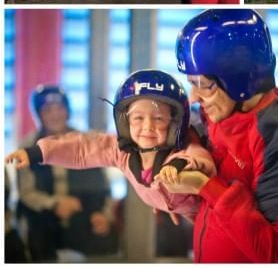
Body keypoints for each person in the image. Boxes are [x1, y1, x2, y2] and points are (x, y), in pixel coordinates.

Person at [160, 9, 278, 262]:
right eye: (191, 83)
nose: (194, 97)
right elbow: (187, 134)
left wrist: (204, 186)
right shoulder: (223, 108)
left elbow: (275, 252)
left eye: (203, 84)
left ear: (239, 78)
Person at [6, 70, 215, 224]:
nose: (147, 127)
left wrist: (177, 167)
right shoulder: (122, 153)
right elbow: (83, 148)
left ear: (174, 123)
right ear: (125, 122)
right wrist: (36, 153)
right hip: (189, 216)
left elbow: (199, 158)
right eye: (138, 118)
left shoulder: (182, 150)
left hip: (213, 212)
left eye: (159, 119)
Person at [6, 85, 118, 261]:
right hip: (43, 222)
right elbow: (26, 193)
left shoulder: (86, 140)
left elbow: (104, 186)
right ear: (39, 114)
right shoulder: (28, 147)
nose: (55, 115)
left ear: (68, 111)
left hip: (84, 217)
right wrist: (55, 203)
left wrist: (105, 215)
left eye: (60, 108)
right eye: (48, 110)